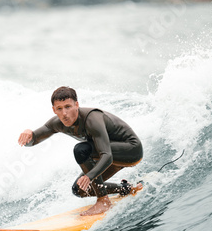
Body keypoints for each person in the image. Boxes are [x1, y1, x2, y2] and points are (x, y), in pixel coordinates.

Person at [18, 86, 143, 216]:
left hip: (131, 150)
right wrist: (29, 134)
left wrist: (89, 176)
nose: (64, 113)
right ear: (54, 110)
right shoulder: (56, 123)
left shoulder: (92, 119)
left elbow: (107, 156)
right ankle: (126, 188)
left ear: (76, 105)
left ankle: (103, 202)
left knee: (81, 150)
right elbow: (33, 140)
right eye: (59, 108)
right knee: (80, 190)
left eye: (68, 107)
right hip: (108, 155)